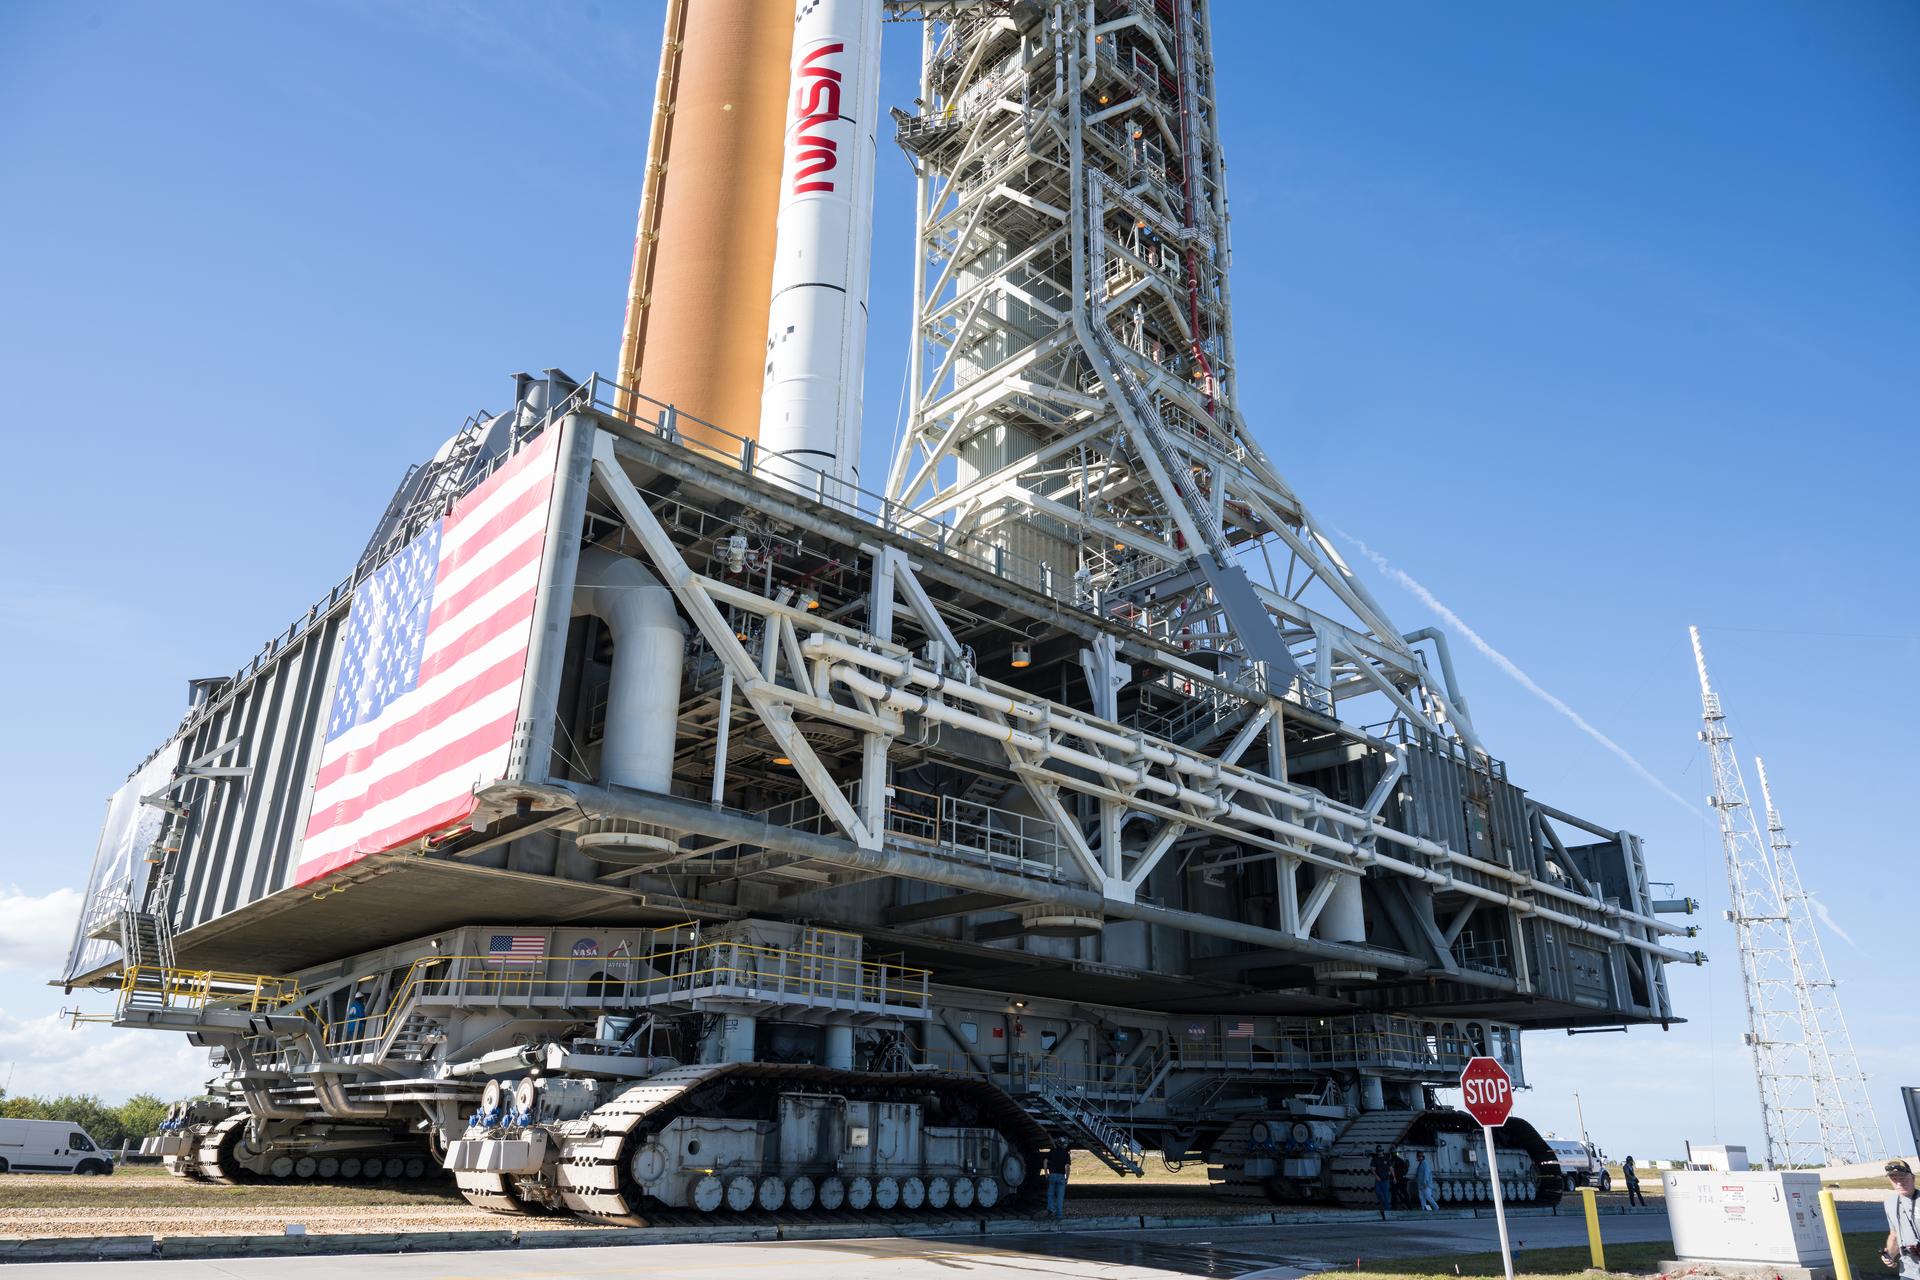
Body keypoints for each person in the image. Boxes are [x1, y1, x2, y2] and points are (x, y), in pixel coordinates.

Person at [1883, 1158, 1920, 1279]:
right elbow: (1894, 1235)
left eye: (1903, 1178)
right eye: (1894, 1179)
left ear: (1912, 1177)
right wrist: (1889, 1255)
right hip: (1908, 1272)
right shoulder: (1889, 1203)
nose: (1899, 1183)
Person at [1045, 1142, 1072, 1219]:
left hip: (1052, 1175)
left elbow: (1045, 1161)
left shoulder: (1052, 1151)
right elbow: (1067, 1167)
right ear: (1064, 1145)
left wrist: (1046, 1173)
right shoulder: (1066, 1154)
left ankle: (1050, 1209)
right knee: (1060, 1196)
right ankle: (1059, 1214)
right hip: (1061, 1176)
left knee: (1051, 1194)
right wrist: (1067, 1178)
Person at [1370, 1146, 1394, 1220]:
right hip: (1378, 1180)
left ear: (1382, 1151)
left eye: (1380, 1151)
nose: (1379, 1152)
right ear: (1377, 1151)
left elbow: (1391, 1168)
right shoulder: (1375, 1159)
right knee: (1377, 1192)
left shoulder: (1387, 1159)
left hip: (1386, 1180)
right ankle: (1384, 1205)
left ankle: (1387, 1209)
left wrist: (1394, 1177)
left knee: (1386, 1194)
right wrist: (1376, 1176)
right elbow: (1373, 1169)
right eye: (1378, 1151)